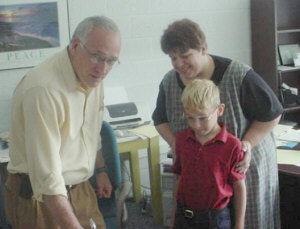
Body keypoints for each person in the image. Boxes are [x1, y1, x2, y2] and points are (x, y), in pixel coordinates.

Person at [152, 19, 283, 229]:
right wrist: (176, 145)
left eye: (185, 56)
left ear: (203, 49)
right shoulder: (170, 81)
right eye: (172, 58)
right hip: (205, 173)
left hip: (243, 167)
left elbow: (272, 114)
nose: (178, 63)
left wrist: (247, 144)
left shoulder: (239, 75)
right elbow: (160, 119)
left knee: (248, 220)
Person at [5, 16, 121, 229]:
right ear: (76, 45)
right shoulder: (44, 90)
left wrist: (101, 169)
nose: (104, 69)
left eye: (112, 60)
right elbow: (47, 178)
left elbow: (89, 131)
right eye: (97, 57)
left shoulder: (92, 76)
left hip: (80, 188)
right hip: (38, 197)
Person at [171, 79, 246, 229]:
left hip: (215, 218)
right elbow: (179, 179)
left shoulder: (232, 145)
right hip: (184, 214)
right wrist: (173, 218)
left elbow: (239, 187)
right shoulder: (181, 140)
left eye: (203, 118)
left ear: (219, 110)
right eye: (190, 118)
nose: (196, 125)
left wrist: (239, 225)